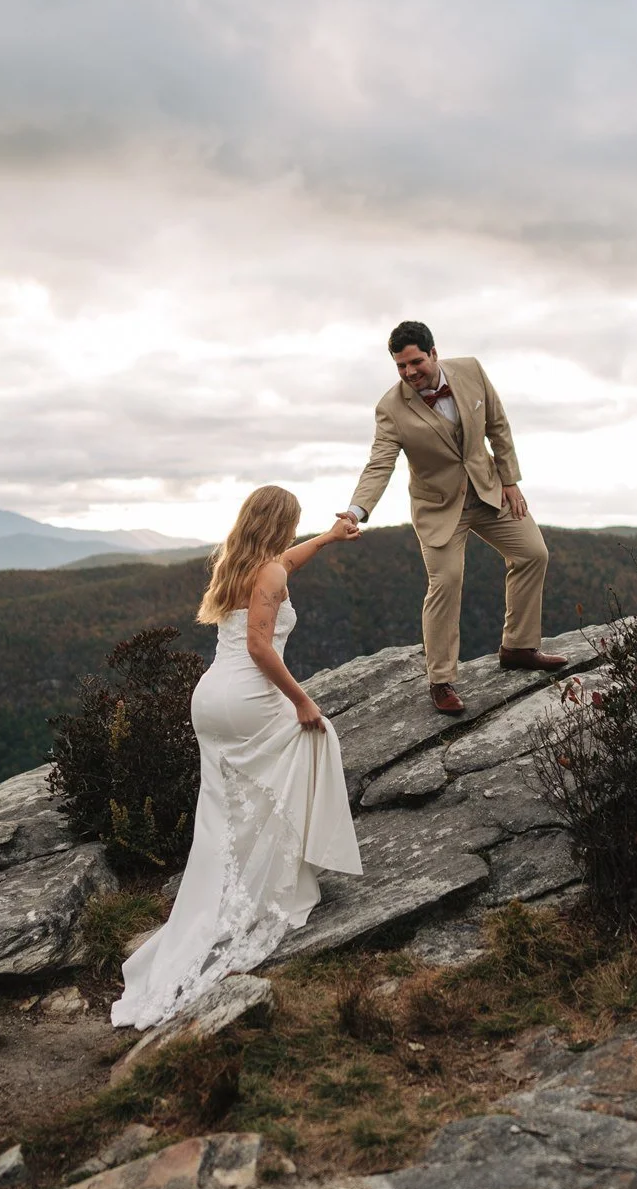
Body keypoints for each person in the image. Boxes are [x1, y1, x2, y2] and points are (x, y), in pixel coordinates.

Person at [112, 487, 363, 1030]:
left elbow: (288, 561)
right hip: (248, 695)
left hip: (209, 700)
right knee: (318, 740)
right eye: (294, 524)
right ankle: (290, 876)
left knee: (224, 809)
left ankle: (226, 890)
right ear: (279, 523)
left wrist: (331, 536)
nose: (297, 534)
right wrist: (302, 699)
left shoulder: (239, 563)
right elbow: (259, 646)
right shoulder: (268, 576)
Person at [340, 320, 567, 715]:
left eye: (415, 362)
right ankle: (441, 680)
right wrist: (357, 510)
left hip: (487, 489)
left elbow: (498, 426)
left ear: (433, 353)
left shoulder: (472, 371)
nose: (409, 372)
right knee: (446, 581)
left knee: (534, 554)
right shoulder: (390, 408)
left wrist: (509, 480)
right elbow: (380, 464)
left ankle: (518, 647)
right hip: (438, 507)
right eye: (400, 366)